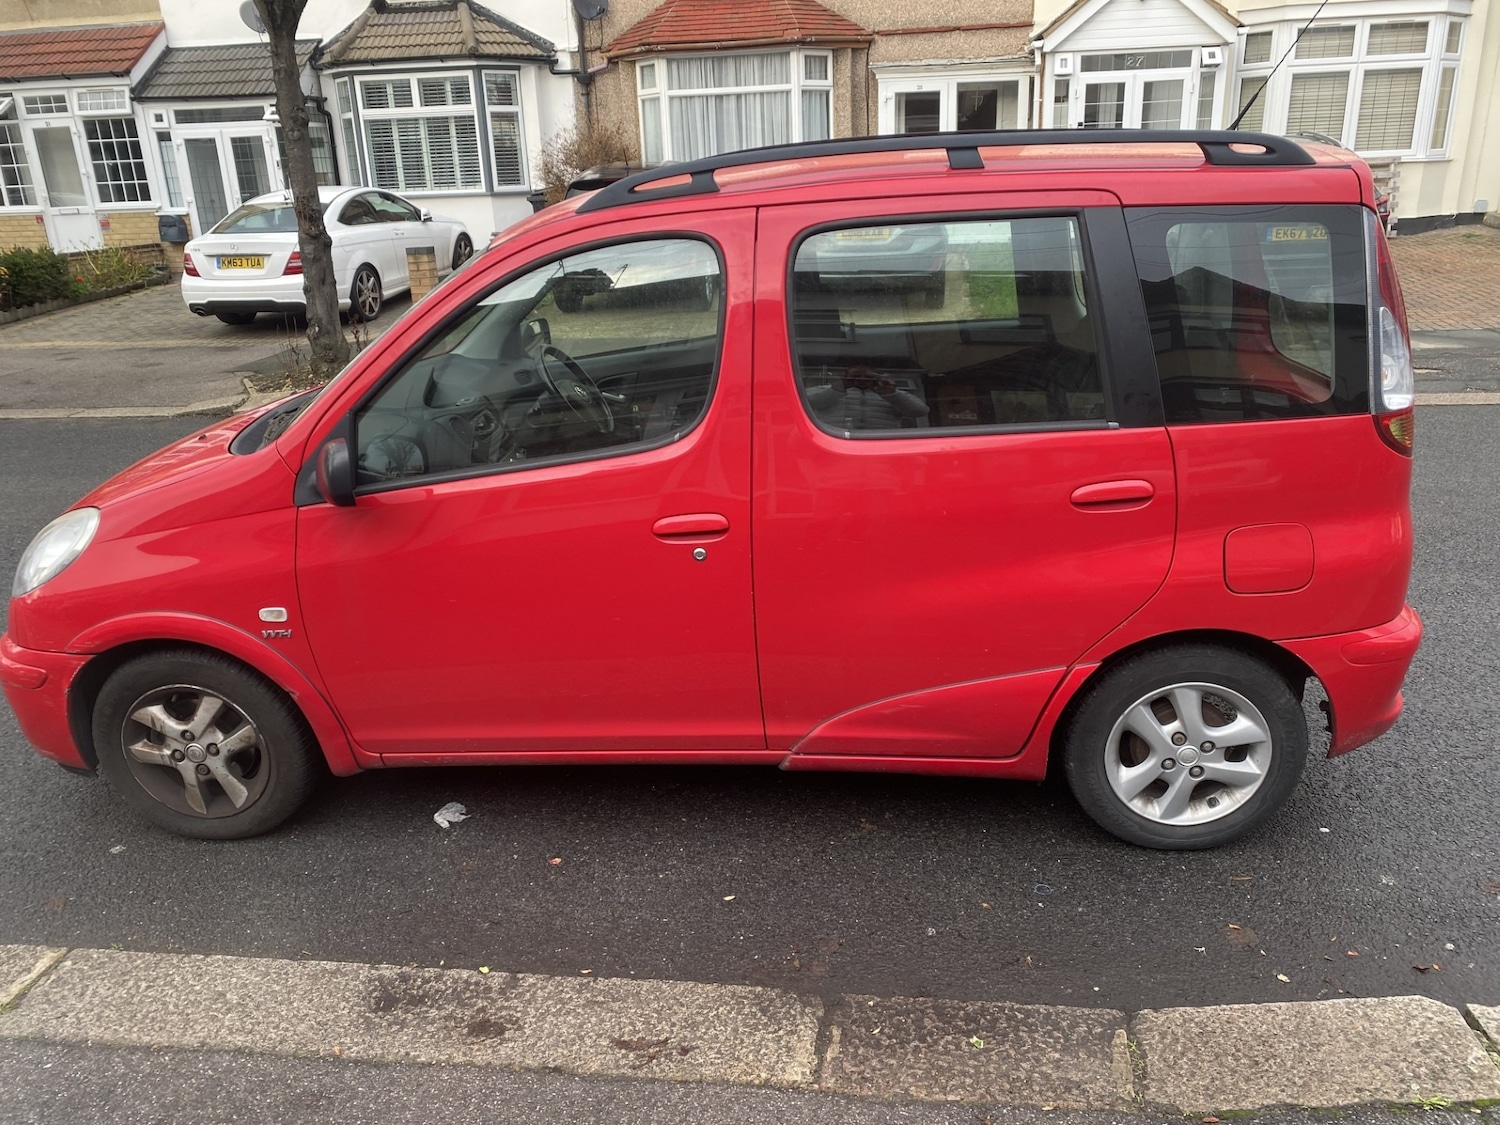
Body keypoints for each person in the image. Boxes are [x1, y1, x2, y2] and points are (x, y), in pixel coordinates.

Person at [806, 366, 929, 430]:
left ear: (876, 378)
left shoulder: (891, 393)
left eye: (867, 376)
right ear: (845, 377)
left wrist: (892, 395)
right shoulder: (828, 390)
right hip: (837, 440)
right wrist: (836, 390)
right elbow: (805, 404)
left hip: (880, 443)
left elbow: (921, 411)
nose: (862, 379)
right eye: (856, 376)